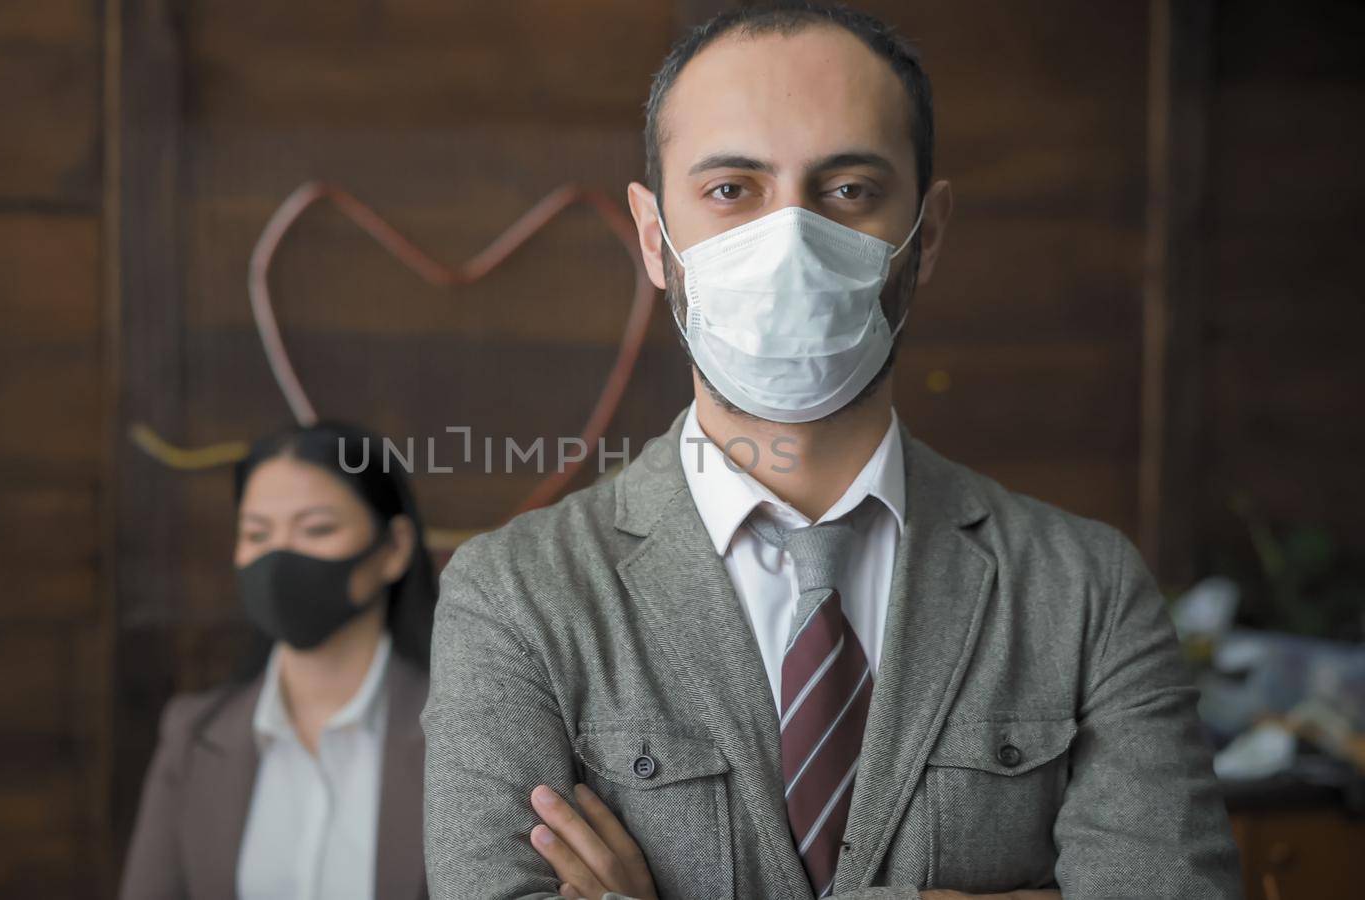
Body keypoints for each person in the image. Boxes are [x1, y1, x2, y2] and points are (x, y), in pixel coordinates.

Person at [420, 4, 1241, 899]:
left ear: (924, 235)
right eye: (732, 189)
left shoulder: (1085, 591)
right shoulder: (516, 598)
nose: (789, 244)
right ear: (656, 238)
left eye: (848, 189)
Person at [121, 421, 437, 900]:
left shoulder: (461, 733)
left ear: (394, 548)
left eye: (316, 528)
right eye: (256, 533)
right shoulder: (193, 733)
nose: (280, 558)